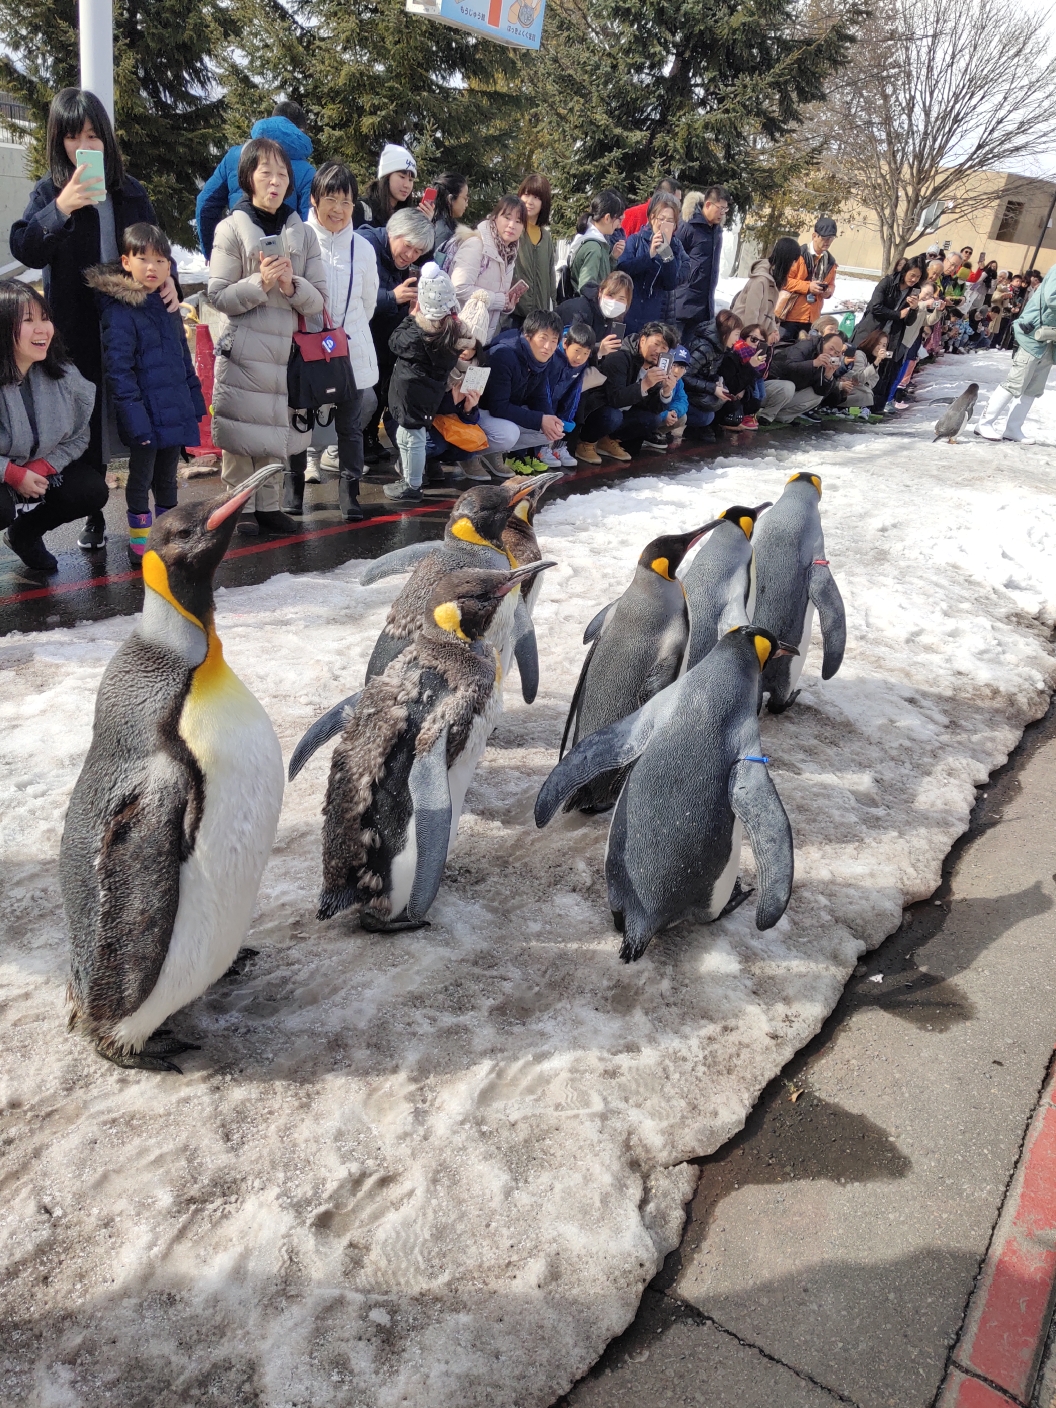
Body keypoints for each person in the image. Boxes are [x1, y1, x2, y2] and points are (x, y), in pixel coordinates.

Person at [10, 87, 170, 552]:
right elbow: (24, 247)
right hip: (75, 329)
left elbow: (156, 249)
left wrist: (170, 279)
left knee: (137, 416)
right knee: (86, 422)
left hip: (129, 324)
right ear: (58, 142)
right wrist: (61, 208)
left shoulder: (131, 191)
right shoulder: (50, 192)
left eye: (94, 135)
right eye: (74, 137)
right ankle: (95, 514)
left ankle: (151, 511)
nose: (86, 146)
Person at [208, 136, 327, 536]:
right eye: (265, 173)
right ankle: (237, 508)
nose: (274, 182)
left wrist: (292, 285)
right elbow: (219, 295)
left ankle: (270, 507)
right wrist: (261, 282)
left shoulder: (304, 235)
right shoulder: (229, 228)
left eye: (281, 174)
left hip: (287, 351)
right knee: (242, 433)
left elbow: (319, 299)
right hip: (245, 348)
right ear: (248, 178)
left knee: (276, 432)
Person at [86, 223, 205, 562]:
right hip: (146, 415)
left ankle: (167, 535)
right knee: (140, 480)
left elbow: (184, 358)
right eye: (143, 259)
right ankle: (140, 540)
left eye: (160, 260)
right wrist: (134, 419)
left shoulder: (167, 305)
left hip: (173, 409)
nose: (152, 267)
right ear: (126, 262)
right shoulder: (120, 311)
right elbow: (119, 371)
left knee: (167, 479)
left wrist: (194, 401)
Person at [0, 280, 102, 573]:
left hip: (38, 469)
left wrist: (43, 466)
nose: (42, 329)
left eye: (45, 318)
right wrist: (12, 473)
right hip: (4, 473)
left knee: (89, 491)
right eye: (28, 321)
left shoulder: (63, 375)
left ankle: (24, 535)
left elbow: (79, 435)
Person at [299, 161, 380, 522]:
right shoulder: (298, 238)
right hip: (304, 346)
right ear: (315, 199)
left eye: (346, 202)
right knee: (299, 420)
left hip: (350, 347)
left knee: (350, 426)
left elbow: (368, 302)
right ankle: (292, 487)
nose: (338, 209)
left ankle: (349, 492)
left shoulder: (363, 247)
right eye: (330, 199)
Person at [359, 207, 435, 465]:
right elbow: (354, 295)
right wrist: (392, 297)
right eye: (409, 246)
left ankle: (368, 436)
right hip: (358, 339)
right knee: (365, 392)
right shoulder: (365, 245)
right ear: (394, 231)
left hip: (383, 339)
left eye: (417, 252)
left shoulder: (401, 261)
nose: (410, 255)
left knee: (384, 384)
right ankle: (344, 446)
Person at [385, 262, 465, 502]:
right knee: (409, 436)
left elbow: (394, 342)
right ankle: (411, 480)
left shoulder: (417, 332)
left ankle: (413, 485)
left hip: (410, 396)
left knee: (412, 438)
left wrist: (411, 317)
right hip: (426, 395)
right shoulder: (452, 331)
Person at [195, 102, 315, 258]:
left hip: (238, 248)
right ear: (300, 131)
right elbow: (309, 223)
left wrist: (212, 254)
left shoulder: (235, 155)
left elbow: (205, 202)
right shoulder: (307, 171)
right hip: (283, 259)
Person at [477, 309, 566, 476]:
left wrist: (549, 418)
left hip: (500, 412)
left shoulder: (541, 360)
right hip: (477, 412)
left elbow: (538, 396)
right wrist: (540, 419)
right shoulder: (504, 355)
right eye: (543, 338)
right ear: (528, 335)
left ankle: (491, 453)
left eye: (554, 341)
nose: (548, 347)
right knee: (509, 434)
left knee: (551, 431)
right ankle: (470, 454)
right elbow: (498, 406)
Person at [977, 262, 1056, 443]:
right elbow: (1052, 298)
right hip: (1033, 334)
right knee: (1016, 381)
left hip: (1049, 338)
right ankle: (985, 422)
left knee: (1034, 387)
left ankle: (1013, 428)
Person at [593, 321, 680, 457]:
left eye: (664, 348)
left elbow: (653, 409)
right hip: (598, 410)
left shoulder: (656, 366)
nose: (658, 351)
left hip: (623, 412)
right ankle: (586, 442)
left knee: (653, 419)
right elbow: (615, 399)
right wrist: (645, 384)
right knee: (612, 416)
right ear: (642, 340)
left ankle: (608, 441)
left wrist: (666, 391)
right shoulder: (620, 355)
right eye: (656, 344)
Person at [450, 195, 527, 345]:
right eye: (507, 217)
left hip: (482, 338)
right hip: (459, 334)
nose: (512, 225)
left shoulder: (509, 253)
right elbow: (458, 288)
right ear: (494, 218)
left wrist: (506, 305)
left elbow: (497, 296)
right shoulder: (476, 245)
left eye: (518, 221)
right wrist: (499, 300)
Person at [853, 261, 922, 414]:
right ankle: (852, 405)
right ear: (904, 272)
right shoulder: (888, 282)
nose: (914, 280)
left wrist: (914, 308)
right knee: (863, 367)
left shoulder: (914, 291)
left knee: (883, 373)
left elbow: (909, 322)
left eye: (918, 277)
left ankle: (873, 408)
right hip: (871, 332)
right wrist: (897, 314)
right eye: (912, 275)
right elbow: (874, 307)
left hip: (892, 338)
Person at [616, 192, 687, 334]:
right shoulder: (635, 240)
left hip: (655, 315)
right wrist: (650, 255)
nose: (664, 224)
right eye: (661, 218)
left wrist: (666, 254)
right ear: (652, 218)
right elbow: (623, 269)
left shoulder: (675, 246)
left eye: (670, 221)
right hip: (629, 311)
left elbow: (671, 282)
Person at [675, 185, 729, 335]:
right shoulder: (688, 224)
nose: (723, 213)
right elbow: (673, 256)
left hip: (704, 307)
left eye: (726, 209)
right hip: (682, 304)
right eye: (720, 208)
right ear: (708, 204)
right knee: (673, 352)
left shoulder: (717, 230)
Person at [540, 321, 594, 467]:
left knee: (574, 409)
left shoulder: (581, 364)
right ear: (565, 343)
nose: (580, 357)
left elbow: (574, 390)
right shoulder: (552, 357)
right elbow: (543, 389)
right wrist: (548, 414)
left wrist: (567, 418)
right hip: (542, 400)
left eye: (586, 353)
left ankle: (558, 448)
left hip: (559, 398)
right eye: (577, 351)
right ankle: (541, 448)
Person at [776, 218, 839, 341]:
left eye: (831, 238)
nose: (828, 242)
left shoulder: (830, 261)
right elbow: (783, 280)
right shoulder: (798, 255)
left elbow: (831, 284)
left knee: (804, 353)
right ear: (814, 236)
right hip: (789, 315)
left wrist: (828, 291)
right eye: (825, 238)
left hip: (813, 318)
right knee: (782, 350)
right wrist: (808, 287)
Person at [768, 329, 846, 424]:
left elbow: (821, 392)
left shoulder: (827, 360)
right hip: (773, 382)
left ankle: (783, 416)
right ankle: (766, 416)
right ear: (823, 342)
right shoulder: (806, 345)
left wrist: (828, 376)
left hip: (792, 390)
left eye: (837, 353)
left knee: (817, 397)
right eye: (831, 348)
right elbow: (789, 367)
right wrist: (814, 363)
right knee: (788, 386)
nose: (832, 354)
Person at [731, 236, 800, 342]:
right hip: (742, 334)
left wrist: (773, 330)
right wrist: (753, 339)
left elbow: (769, 311)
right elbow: (751, 313)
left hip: (757, 334)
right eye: (793, 260)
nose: (794, 265)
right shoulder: (760, 280)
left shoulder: (774, 278)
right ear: (786, 259)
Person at [512, 174, 557, 322]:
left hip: (539, 319)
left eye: (537, 197)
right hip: (512, 315)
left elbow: (550, 276)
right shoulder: (512, 230)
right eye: (526, 195)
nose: (530, 202)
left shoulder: (546, 237)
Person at [557, 270, 633, 356]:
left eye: (621, 299)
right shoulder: (579, 311)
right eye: (610, 295)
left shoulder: (614, 318)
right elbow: (569, 351)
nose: (614, 302)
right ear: (600, 292)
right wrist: (599, 350)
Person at [566, 190, 625, 296]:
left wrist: (612, 258)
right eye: (618, 219)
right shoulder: (593, 247)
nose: (619, 225)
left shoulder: (591, 240)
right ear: (607, 218)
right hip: (588, 310)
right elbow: (586, 289)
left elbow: (601, 274)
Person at [362, 144, 420, 228]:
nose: (407, 185)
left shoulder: (408, 216)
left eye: (410, 180)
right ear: (387, 176)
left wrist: (424, 222)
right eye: (402, 177)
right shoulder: (363, 209)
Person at [430, 173, 470, 261]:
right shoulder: (444, 233)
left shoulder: (433, 222)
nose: (466, 204)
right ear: (450, 199)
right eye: (465, 198)